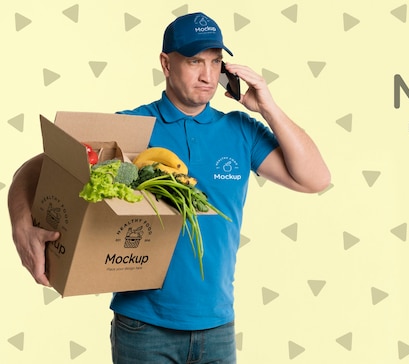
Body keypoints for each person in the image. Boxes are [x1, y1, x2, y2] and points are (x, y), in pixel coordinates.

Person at [8, 12, 330, 364]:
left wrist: (267, 106)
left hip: (218, 327)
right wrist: (22, 225)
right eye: (194, 61)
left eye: (216, 62)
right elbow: (39, 165)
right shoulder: (131, 127)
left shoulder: (241, 130)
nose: (208, 75)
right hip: (143, 328)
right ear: (166, 63)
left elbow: (316, 179)